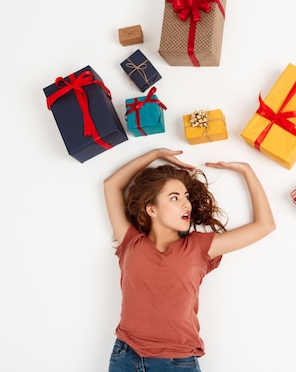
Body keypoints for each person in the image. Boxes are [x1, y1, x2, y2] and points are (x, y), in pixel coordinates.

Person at [103, 148, 276, 372]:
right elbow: (111, 186)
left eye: (185, 197)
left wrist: (247, 170)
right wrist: (155, 154)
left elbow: (265, 225)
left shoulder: (198, 247)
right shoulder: (131, 242)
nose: (186, 204)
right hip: (126, 356)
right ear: (151, 209)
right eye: (175, 198)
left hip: (177, 362)